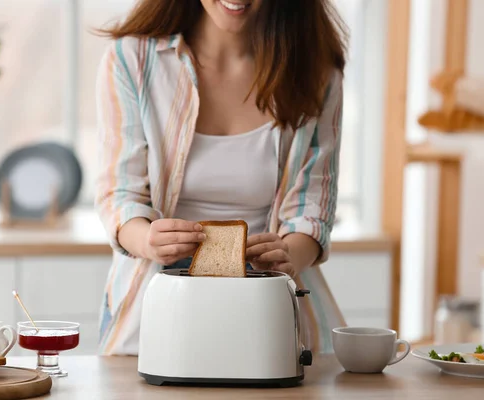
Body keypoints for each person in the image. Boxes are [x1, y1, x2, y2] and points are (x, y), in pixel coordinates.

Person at [95, 0, 348, 356]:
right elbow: (120, 194)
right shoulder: (132, 60)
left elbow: (313, 211)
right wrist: (147, 240)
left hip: (273, 315)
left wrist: (286, 254)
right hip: (149, 314)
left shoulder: (318, 74)